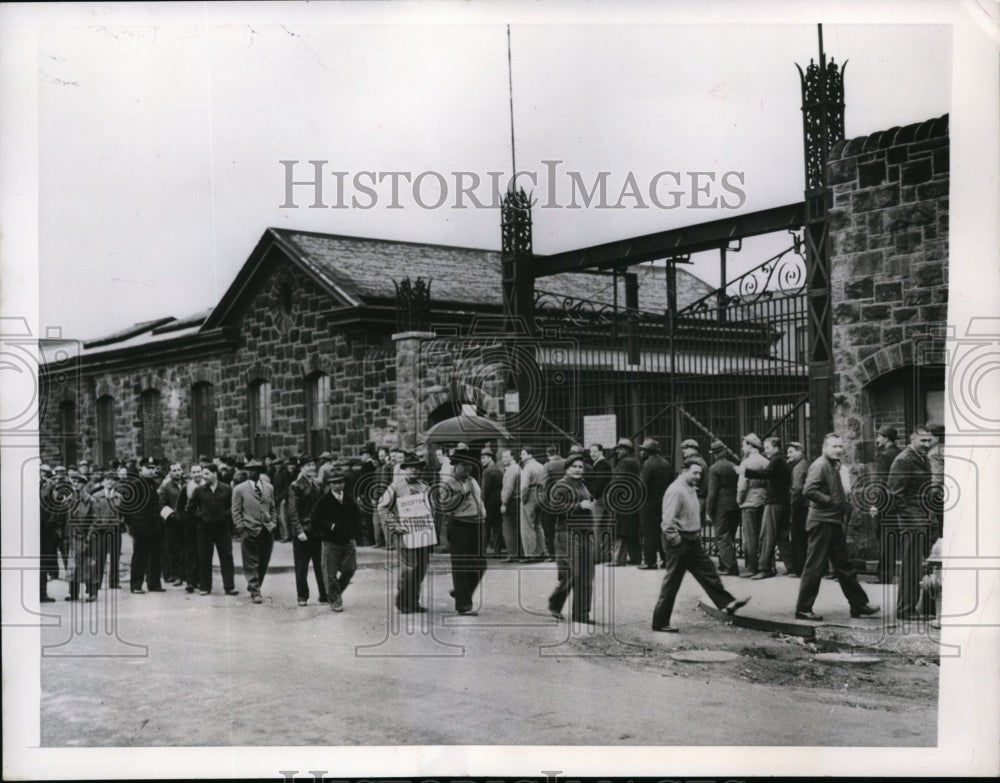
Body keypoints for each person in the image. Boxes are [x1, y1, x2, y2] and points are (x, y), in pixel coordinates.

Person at [651, 459, 750, 632]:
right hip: (680, 541)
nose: (698, 476)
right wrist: (676, 540)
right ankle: (660, 622)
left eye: (700, 473)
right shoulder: (676, 490)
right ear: (684, 471)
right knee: (672, 583)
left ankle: (727, 603)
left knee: (708, 571)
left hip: (692, 539)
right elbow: (667, 522)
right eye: (694, 472)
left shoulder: (689, 488)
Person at [794, 433, 880, 621]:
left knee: (844, 566)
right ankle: (803, 609)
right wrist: (831, 501)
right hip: (822, 521)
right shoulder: (820, 465)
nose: (839, 449)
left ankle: (858, 604)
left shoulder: (833, 465)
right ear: (825, 448)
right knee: (815, 567)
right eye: (834, 446)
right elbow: (808, 490)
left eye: (841, 446)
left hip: (832, 521)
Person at [889, 426, 936, 620]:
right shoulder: (903, 460)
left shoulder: (922, 458)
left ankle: (920, 607)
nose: (926, 444)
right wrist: (912, 520)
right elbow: (895, 495)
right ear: (912, 439)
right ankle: (905, 610)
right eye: (922, 441)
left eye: (929, 441)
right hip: (912, 522)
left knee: (923, 565)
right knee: (911, 567)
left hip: (924, 519)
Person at [378, 452, 435, 613]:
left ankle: (413, 602)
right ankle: (402, 601)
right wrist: (395, 525)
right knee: (409, 569)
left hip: (423, 534)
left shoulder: (425, 487)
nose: (415, 471)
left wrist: (431, 524)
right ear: (404, 469)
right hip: (405, 534)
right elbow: (382, 507)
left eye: (417, 468)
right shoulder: (395, 486)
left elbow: (432, 508)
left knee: (420, 570)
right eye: (411, 468)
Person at [548, 453, 599, 623]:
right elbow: (554, 508)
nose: (578, 470)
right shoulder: (560, 486)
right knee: (571, 573)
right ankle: (555, 604)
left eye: (580, 467)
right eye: (574, 466)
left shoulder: (582, 485)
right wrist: (578, 506)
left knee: (586, 575)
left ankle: (582, 613)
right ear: (567, 468)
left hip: (585, 532)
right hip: (567, 533)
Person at [442, 449, 487, 615]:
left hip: (477, 524)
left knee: (480, 565)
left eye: (470, 465)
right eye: (464, 465)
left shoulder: (472, 479)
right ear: (456, 465)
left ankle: (461, 592)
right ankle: (464, 605)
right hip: (460, 525)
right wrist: (463, 492)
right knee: (461, 566)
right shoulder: (448, 483)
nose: (468, 469)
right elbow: (445, 506)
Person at [743, 437, 794, 579]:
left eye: (767, 448)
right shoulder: (784, 462)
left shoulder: (776, 461)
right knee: (782, 536)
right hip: (784, 502)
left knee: (767, 536)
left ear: (776, 448)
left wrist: (746, 471)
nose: (765, 452)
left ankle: (765, 569)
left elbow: (767, 474)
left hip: (773, 503)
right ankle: (792, 567)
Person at [186, 463, 238, 596]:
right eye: (204, 473)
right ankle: (205, 587)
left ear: (215, 474)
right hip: (204, 530)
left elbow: (233, 507)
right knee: (204, 558)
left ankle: (229, 586)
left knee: (226, 557)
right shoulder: (199, 491)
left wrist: (225, 515)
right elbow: (190, 509)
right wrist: (201, 516)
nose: (204, 476)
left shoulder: (226, 489)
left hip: (222, 530)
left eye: (207, 473)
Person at [311, 467, 357, 612]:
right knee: (330, 574)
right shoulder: (324, 501)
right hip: (331, 543)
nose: (338, 485)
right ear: (330, 484)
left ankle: (334, 592)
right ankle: (335, 600)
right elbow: (315, 519)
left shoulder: (349, 499)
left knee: (350, 569)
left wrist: (354, 533)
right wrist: (330, 526)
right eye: (335, 483)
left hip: (347, 541)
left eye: (340, 482)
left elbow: (356, 515)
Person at [232, 458, 277, 604]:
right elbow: (236, 511)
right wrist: (241, 528)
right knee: (251, 563)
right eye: (249, 470)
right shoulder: (239, 489)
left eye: (255, 470)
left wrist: (273, 523)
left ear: (260, 472)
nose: (251, 472)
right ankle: (255, 591)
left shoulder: (269, 487)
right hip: (249, 530)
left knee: (263, 562)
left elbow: (273, 508)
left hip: (266, 530)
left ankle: (255, 586)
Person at [287, 455, 327, 606]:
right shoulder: (295, 486)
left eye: (312, 465)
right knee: (302, 566)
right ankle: (302, 596)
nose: (311, 467)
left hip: (317, 530)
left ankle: (324, 595)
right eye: (307, 465)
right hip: (303, 531)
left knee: (320, 565)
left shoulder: (317, 484)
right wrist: (299, 531)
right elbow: (293, 512)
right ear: (301, 468)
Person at [123, 458, 166, 594]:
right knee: (140, 556)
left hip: (154, 526)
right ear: (141, 469)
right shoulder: (135, 484)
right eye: (149, 468)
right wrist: (132, 526)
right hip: (140, 527)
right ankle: (136, 585)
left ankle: (154, 584)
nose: (152, 471)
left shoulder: (153, 484)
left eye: (154, 468)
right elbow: (125, 507)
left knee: (155, 556)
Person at [706, 439, 740, 577]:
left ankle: (730, 566)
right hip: (734, 504)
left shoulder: (714, 468)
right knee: (730, 535)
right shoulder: (733, 465)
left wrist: (708, 510)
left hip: (721, 505)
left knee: (721, 536)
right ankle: (724, 563)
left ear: (714, 454)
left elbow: (712, 492)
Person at [736, 433, 769, 578]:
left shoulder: (746, 463)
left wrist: (739, 499)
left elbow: (742, 485)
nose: (743, 448)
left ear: (750, 446)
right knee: (763, 535)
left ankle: (752, 568)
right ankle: (766, 566)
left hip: (748, 501)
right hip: (763, 500)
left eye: (744, 445)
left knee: (750, 536)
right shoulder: (766, 461)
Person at [638, 437, 673, 570]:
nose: (641, 453)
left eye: (643, 450)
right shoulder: (666, 463)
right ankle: (665, 559)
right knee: (662, 532)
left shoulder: (648, 464)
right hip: (663, 502)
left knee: (649, 533)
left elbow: (643, 486)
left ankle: (650, 561)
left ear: (648, 452)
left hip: (649, 503)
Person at [65, 470, 100, 602]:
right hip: (72, 538)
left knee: (89, 566)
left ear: (83, 485)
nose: (75, 484)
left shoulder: (90, 501)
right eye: (73, 481)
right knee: (73, 566)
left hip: (86, 537)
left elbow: (95, 520)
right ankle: (73, 593)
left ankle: (92, 593)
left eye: (78, 482)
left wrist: (89, 536)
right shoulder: (69, 499)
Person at [874, 425, 901, 582]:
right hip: (898, 502)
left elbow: (882, 482)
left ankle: (883, 576)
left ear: (885, 438)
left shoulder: (885, 455)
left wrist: (877, 505)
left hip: (886, 503)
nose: (877, 439)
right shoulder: (900, 453)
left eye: (879, 436)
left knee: (885, 538)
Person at [611, 438, 642, 566]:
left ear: (626, 450)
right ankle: (636, 557)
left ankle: (618, 559)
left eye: (620, 448)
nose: (617, 451)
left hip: (623, 501)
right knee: (632, 531)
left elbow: (619, 482)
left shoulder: (624, 463)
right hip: (633, 500)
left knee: (621, 531)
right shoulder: (634, 462)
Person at [91, 470, 123, 590]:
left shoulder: (119, 497)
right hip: (101, 531)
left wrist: (121, 523)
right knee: (100, 556)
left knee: (115, 557)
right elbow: (93, 514)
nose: (110, 481)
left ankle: (114, 582)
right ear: (103, 482)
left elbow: (123, 513)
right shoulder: (96, 496)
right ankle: (97, 582)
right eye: (107, 479)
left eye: (113, 479)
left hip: (115, 530)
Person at [175, 463, 205, 593]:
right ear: (191, 474)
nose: (197, 474)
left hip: (205, 524)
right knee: (190, 553)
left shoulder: (207, 486)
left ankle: (201, 580)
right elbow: (179, 507)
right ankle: (191, 581)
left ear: (202, 472)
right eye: (194, 472)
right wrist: (184, 519)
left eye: (199, 471)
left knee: (203, 553)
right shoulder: (187, 488)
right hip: (190, 525)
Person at [157, 462, 185, 586]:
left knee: (188, 549)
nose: (177, 472)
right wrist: (172, 516)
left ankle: (188, 575)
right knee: (174, 550)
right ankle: (176, 575)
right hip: (173, 523)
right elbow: (161, 505)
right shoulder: (166, 487)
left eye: (179, 470)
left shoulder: (188, 484)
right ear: (170, 472)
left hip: (187, 521)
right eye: (174, 470)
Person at [519, 446, 548, 561]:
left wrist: (523, 499)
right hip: (540, 493)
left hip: (530, 493)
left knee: (527, 525)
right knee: (538, 525)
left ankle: (530, 554)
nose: (521, 456)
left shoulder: (527, 467)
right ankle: (542, 551)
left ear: (530, 455)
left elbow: (524, 486)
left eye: (524, 454)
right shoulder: (541, 466)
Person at [588, 443, 614, 563]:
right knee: (605, 528)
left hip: (599, 499)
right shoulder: (604, 464)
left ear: (601, 452)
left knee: (595, 528)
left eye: (595, 451)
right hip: (606, 499)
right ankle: (606, 555)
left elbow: (599, 483)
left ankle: (596, 557)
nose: (592, 454)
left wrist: (594, 497)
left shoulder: (601, 465)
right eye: (591, 451)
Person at [786, 442, 809, 577]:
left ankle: (799, 568)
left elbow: (797, 487)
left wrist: (792, 501)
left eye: (791, 451)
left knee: (797, 537)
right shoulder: (802, 464)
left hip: (800, 505)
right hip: (804, 504)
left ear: (799, 452)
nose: (788, 455)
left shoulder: (799, 467)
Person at [539, 445, 565, 560]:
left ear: (547, 453)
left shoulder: (547, 466)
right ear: (558, 452)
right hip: (566, 497)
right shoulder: (565, 462)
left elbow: (544, 483)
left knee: (550, 527)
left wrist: (543, 499)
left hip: (552, 499)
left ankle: (552, 554)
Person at [480, 449, 504, 555]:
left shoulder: (488, 471)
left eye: (484, 458)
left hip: (489, 503)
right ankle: (497, 550)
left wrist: (481, 503)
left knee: (485, 527)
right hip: (498, 501)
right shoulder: (499, 469)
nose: (482, 460)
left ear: (490, 458)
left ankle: (482, 550)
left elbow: (485, 489)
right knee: (497, 527)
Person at [499, 448, 521, 562]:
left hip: (511, 501)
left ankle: (512, 554)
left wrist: (504, 503)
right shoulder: (516, 468)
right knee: (516, 528)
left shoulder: (511, 470)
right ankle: (516, 553)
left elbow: (509, 488)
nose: (503, 459)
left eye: (506, 457)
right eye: (502, 457)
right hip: (517, 501)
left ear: (512, 457)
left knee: (508, 529)